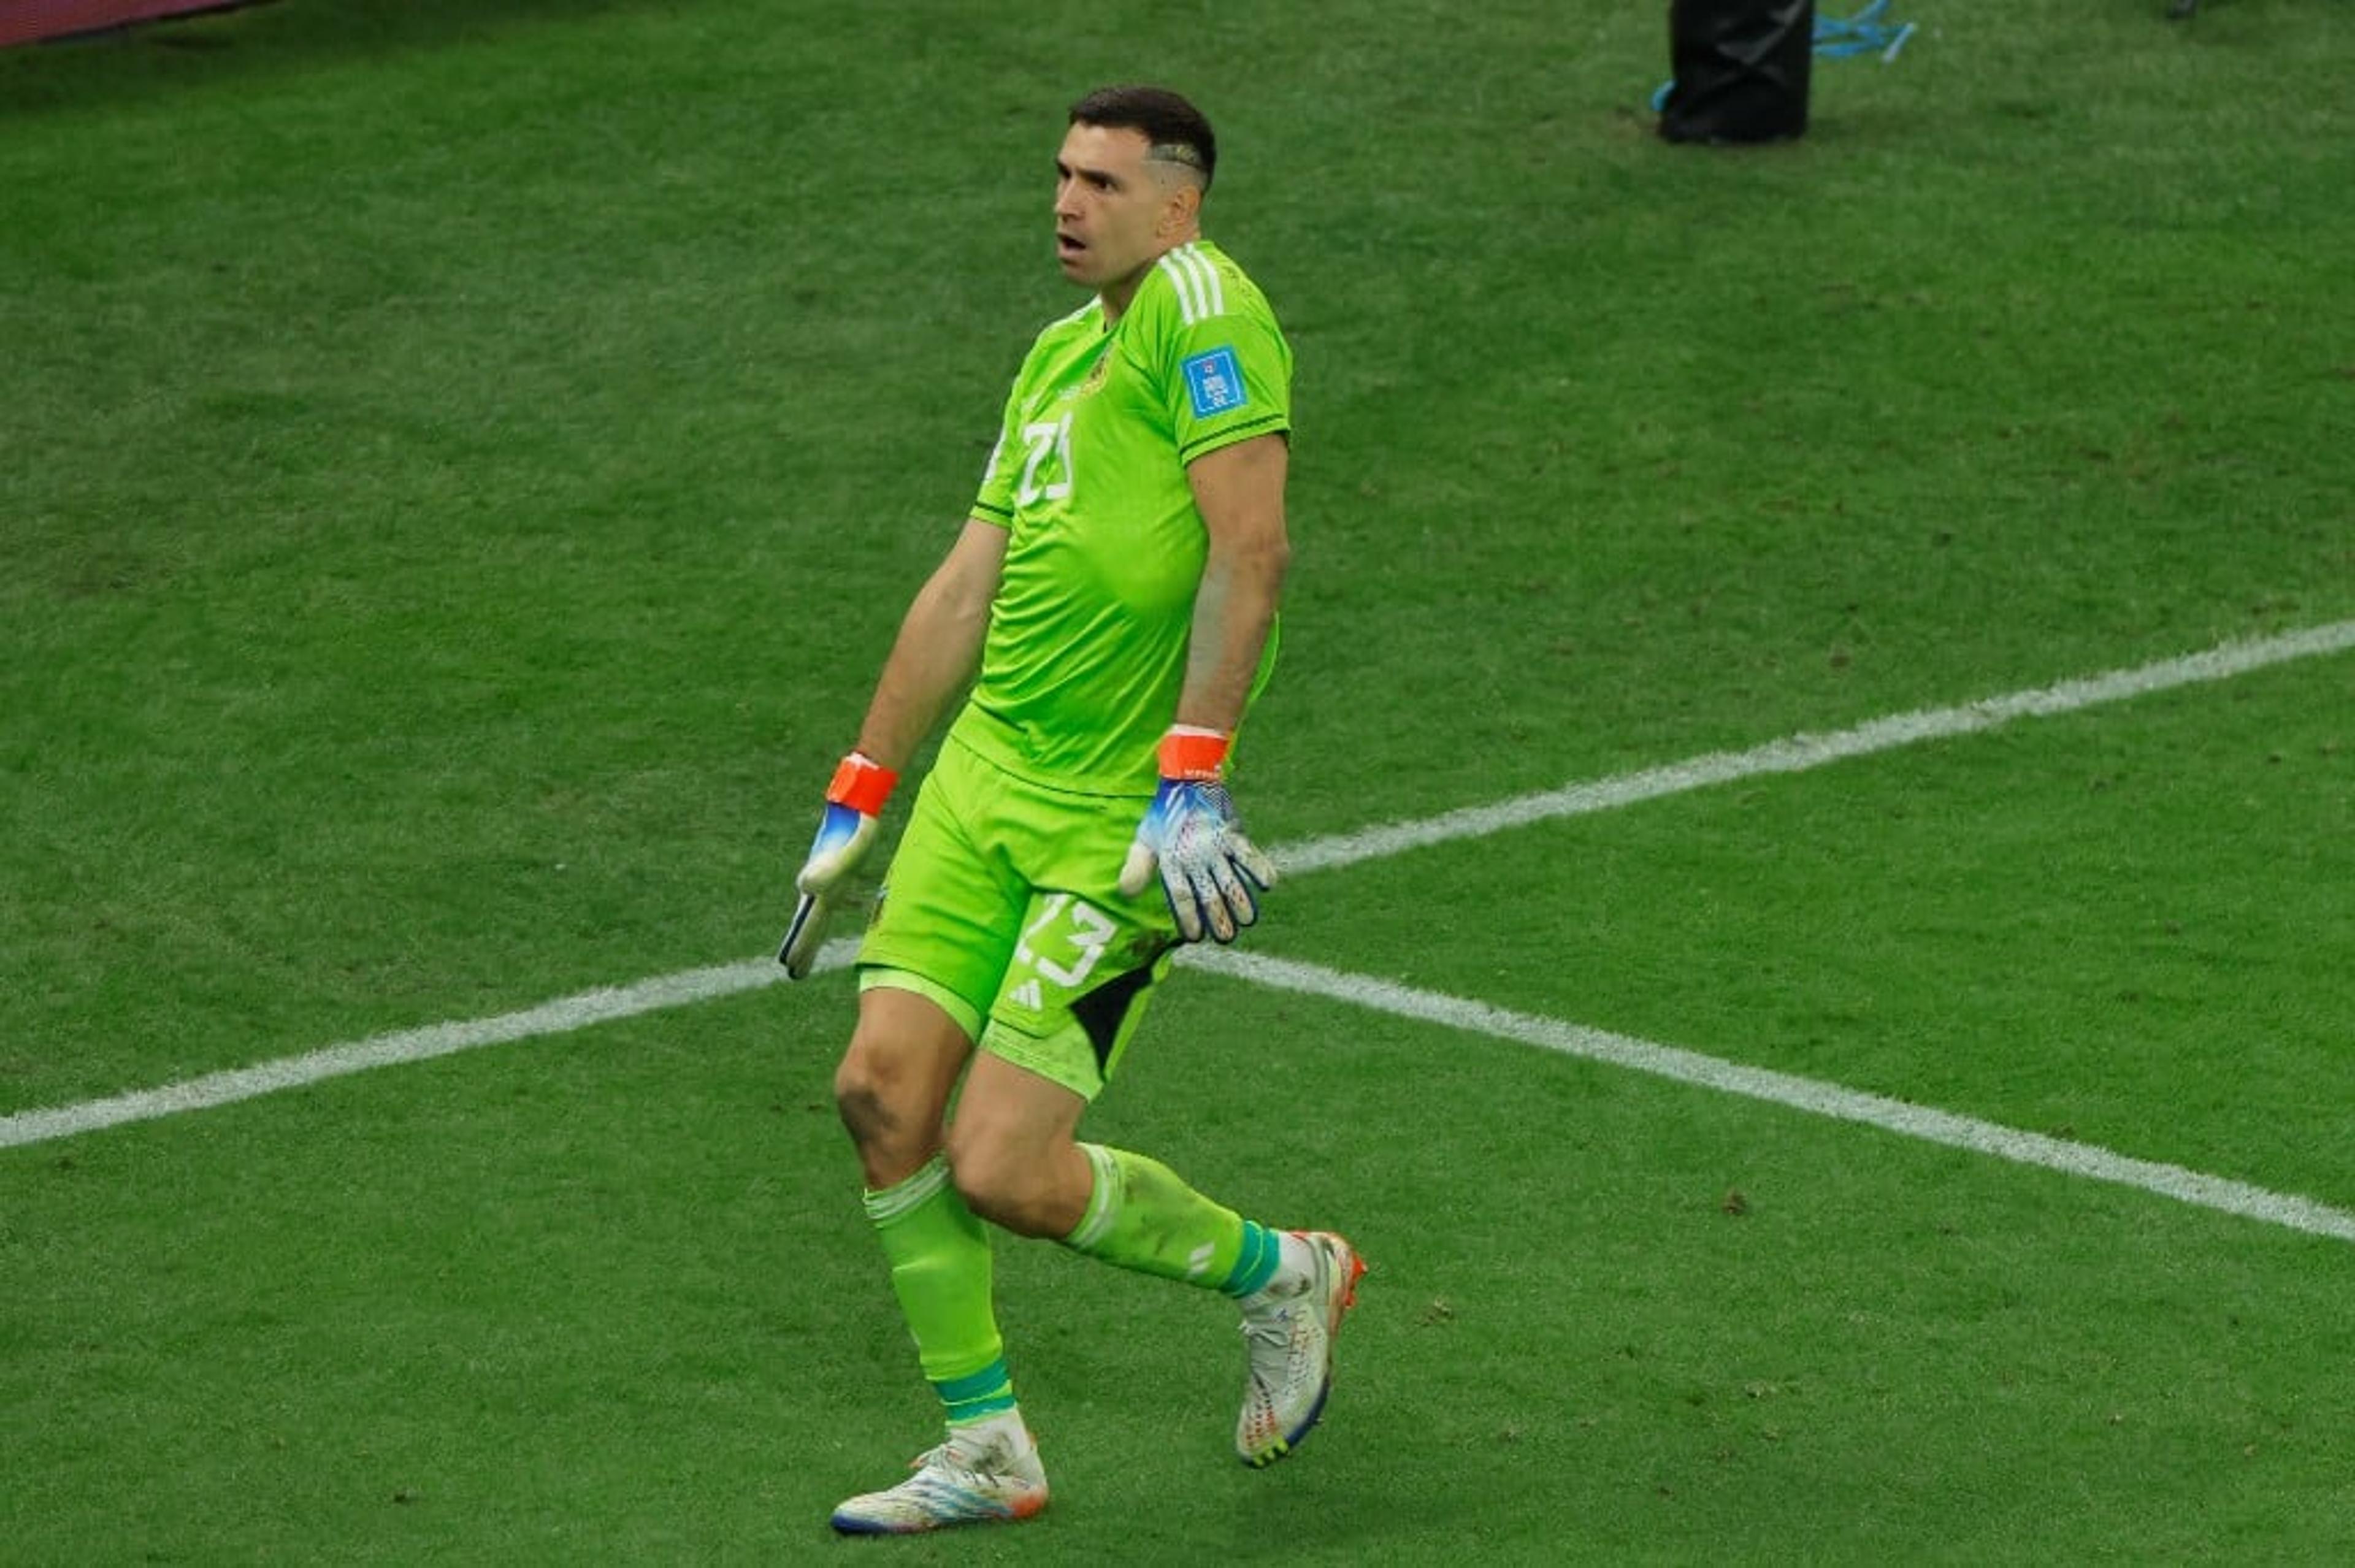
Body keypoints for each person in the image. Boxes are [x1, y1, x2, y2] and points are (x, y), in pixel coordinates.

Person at [779, 85, 1365, 1536]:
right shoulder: (1054, 358)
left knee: (1002, 1166)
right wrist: (863, 787)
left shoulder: (1206, 315)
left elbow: (1256, 548)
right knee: (878, 1096)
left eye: (1101, 183)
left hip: (1115, 821)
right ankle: (988, 1449)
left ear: (1180, 203)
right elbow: (965, 584)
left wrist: (1192, 773)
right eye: (1059, 175)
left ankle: (1282, 1272)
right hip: (985, 785)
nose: (1066, 203)